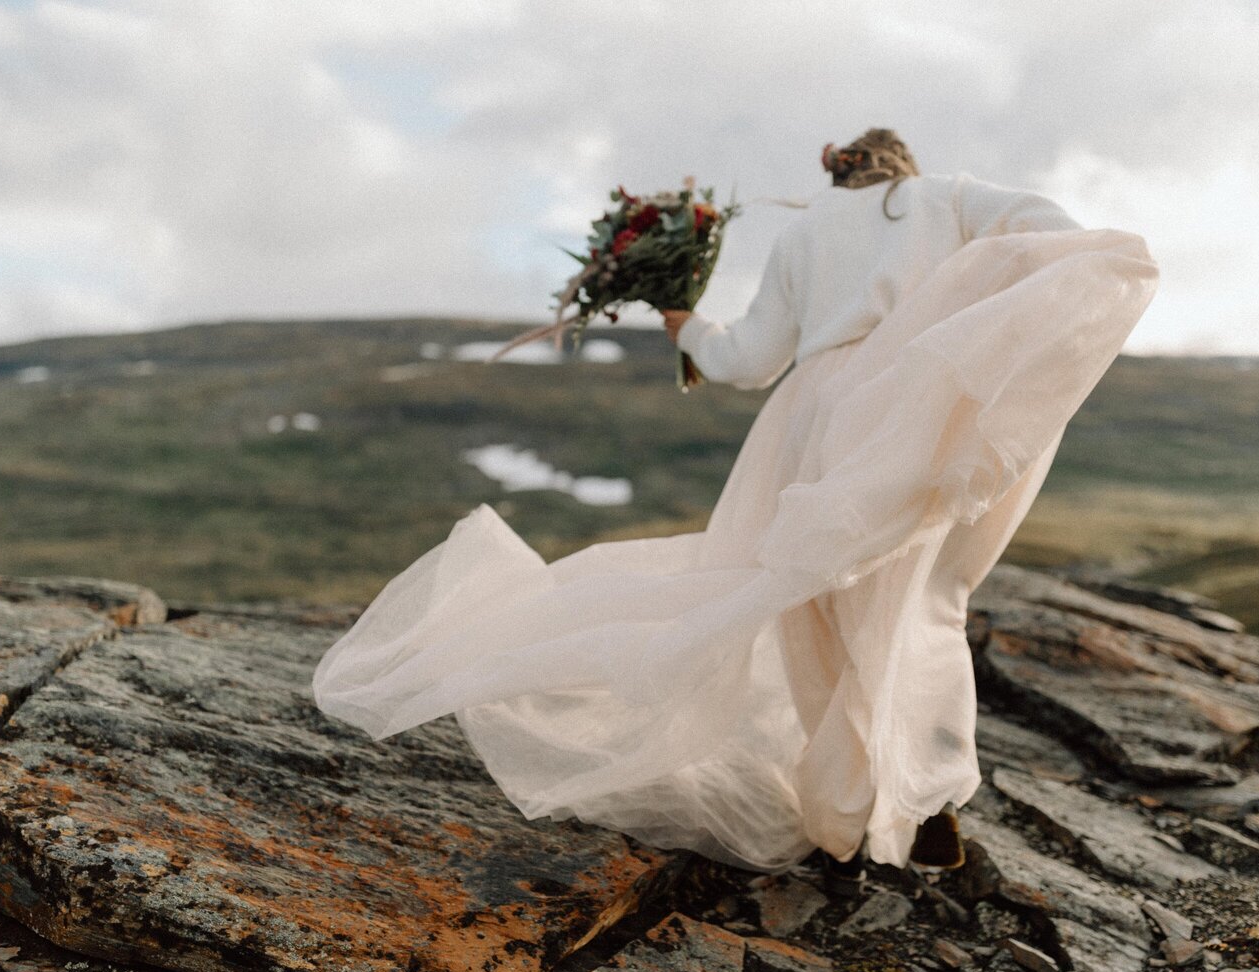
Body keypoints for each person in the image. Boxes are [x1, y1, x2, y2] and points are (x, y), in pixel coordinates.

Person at [311, 128, 1157, 893]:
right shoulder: (951, 198)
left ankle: (843, 812)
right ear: (903, 166)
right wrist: (967, 320)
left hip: (810, 416)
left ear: (839, 171)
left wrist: (683, 322)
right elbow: (1055, 232)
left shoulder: (803, 234)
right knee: (923, 598)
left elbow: (749, 359)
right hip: (907, 405)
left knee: (810, 608)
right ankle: (928, 801)